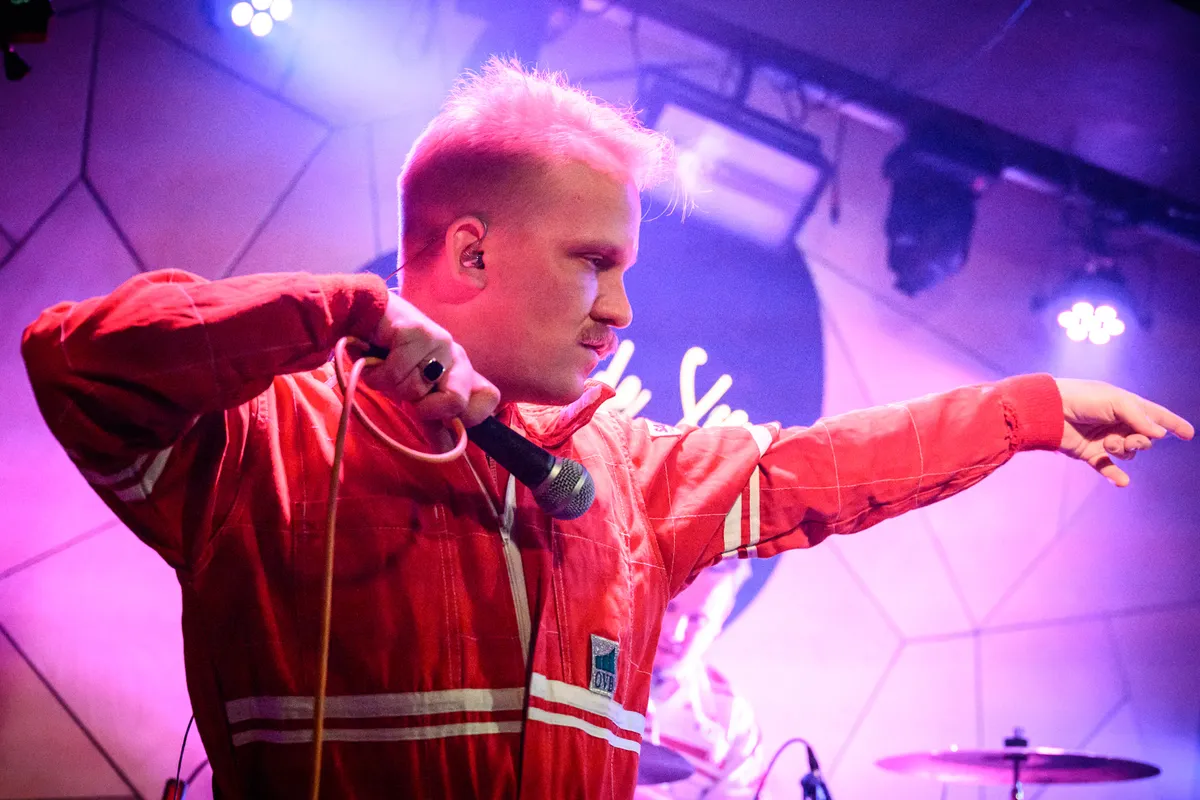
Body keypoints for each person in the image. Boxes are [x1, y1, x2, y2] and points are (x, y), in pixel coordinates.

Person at [20, 59, 1193, 799]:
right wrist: (344, 311)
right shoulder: (259, 441)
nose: (622, 310)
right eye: (595, 262)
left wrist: (1027, 410)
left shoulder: (630, 475)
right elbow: (78, 361)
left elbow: (823, 466)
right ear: (471, 252)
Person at [636, 560, 768, 799]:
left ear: (721, 620)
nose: (674, 632)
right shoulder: (578, 672)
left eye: (697, 619)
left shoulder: (735, 722)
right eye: (669, 607)